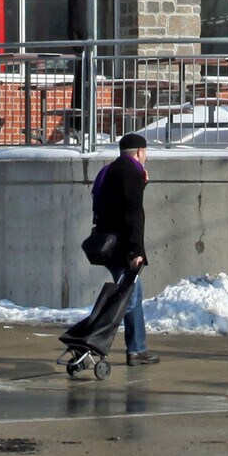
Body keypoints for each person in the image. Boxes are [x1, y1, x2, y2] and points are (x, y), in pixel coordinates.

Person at [91, 132, 159, 366]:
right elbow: (132, 215)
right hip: (122, 247)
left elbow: (115, 205)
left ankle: (137, 350)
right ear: (139, 152)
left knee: (134, 294)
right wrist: (136, 251)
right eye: (145, 153)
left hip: (109, 243)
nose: (146, 157)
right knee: (126, 299)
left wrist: (143, 184)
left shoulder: (111, 170)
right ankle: (90, 337)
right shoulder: (131, 173)